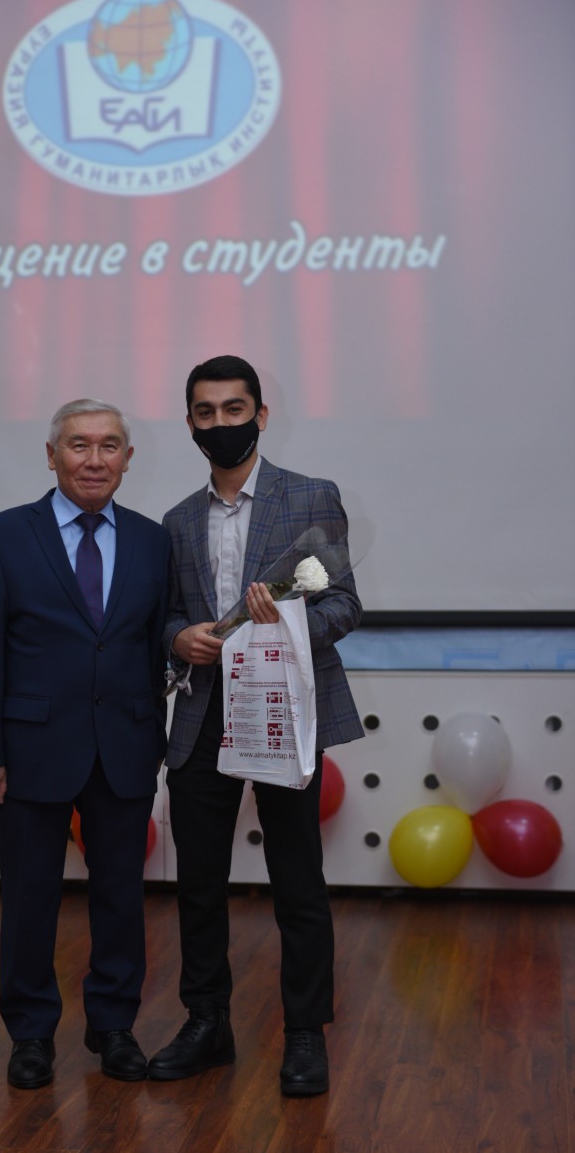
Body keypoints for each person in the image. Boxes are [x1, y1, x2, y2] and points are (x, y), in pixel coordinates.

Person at [147, 356, 364, 1097]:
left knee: (297, 880)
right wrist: (179, 639)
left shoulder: (310, 496)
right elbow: (170, 617)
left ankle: (304, 1033)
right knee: (198, 884)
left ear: (260, 415)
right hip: (203, 716)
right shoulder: (176, 521)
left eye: (233, 410)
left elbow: (343, 603)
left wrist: (288, 628)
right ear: (189, 424)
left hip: (282, 713)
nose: (221, 424)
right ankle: (207, 1023)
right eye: (205, 413)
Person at [0, 399, 170, 1089]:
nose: (94, 459)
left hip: (124, 747)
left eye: (109, 446)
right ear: (51, 456)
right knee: (29, 899)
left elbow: (151, 646)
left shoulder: (153, 541)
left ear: (127, 460)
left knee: (120, 897)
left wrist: (155, 732)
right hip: (29, 752)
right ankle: (29, 1034)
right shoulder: (1, 536)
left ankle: (113, 1026)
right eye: (79, 445)